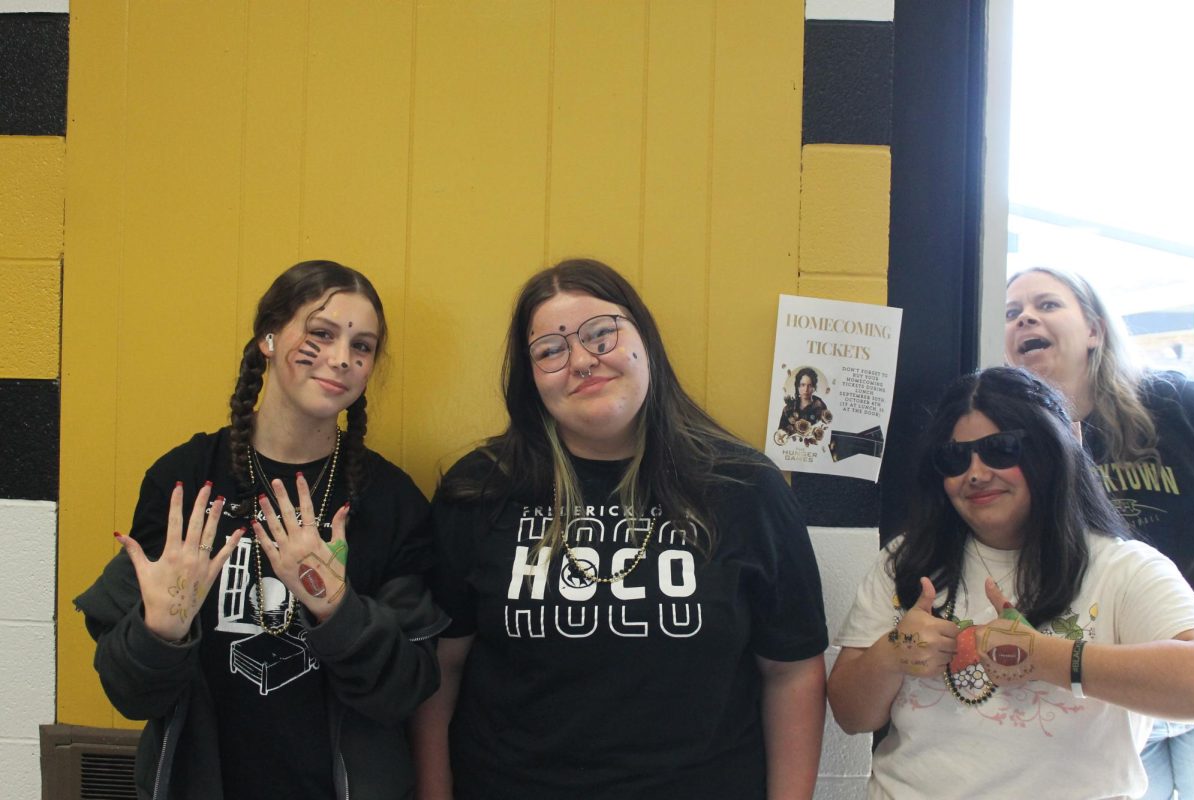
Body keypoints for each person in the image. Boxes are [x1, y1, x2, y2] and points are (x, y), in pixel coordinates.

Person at [412, 258, 828, 799]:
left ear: (644, 339)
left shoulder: (745, 488)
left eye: (601, 334)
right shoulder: (480, 491)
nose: (582, 361)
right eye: (550, 351)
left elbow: (792, 672)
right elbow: (440, 672)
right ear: (530, 378)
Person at [75, 260, 448, 800]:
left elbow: (405, 690)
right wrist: (161, 631)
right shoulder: (184, 479)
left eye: (361, 347)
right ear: (269, 338)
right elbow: (131, 694)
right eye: (320, 334)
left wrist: (334, 605)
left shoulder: (389, 501)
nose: (342, 358)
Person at [826, 367, 1194, 799]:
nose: (976, 473)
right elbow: (851, 715)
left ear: (1052, 451)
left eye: (1001, 450)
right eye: (955, 458)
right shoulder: (906, 560)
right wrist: (893, 652)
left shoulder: (1122, 567)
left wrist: (1046, 657)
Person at [1006, 266, 1194, 798]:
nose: (1025, 316)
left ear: (1094, 329)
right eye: (1012, 311)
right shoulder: (1016, 444)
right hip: (1109, 683)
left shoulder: (1176, 402)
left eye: (1047, 304)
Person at [778, 367, 831, 435]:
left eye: (810, 385)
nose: (806, 389)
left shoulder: (820, 406)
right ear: (798, 387)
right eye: (803, 385)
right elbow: (780, 434)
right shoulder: (788, 409)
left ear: (814, 388)